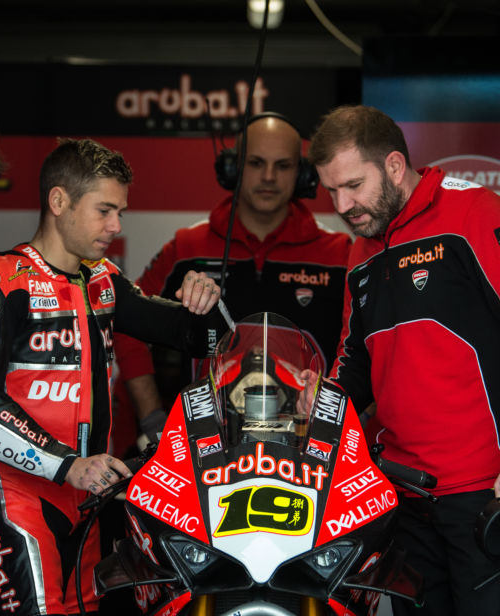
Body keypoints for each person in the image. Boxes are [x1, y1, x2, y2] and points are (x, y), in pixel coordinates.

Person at [304, 105, 500, 616]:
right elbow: (354, 360)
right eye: (331, 190)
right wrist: (316, 407)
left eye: (354, 185)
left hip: (491, 494)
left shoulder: (480, 215)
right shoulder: (363, 249)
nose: (342, 204)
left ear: (395, 166)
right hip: (407, 499)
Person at [0, 138, 224, 616]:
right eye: (105, 209)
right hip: (15, 494)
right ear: (59, 201)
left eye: (120, 211)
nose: (116, 225)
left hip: (84, 499)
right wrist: (67, 464)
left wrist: (205, 299)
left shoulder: (102, 281)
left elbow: (198, 336)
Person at [113, 112, 351, 447]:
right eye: (255, 163)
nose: (268, 176)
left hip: (311, 451)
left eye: (283, 165)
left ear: (303, 174)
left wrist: (350, 422)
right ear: (232, 168)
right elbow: (127, 326)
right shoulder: (187, 248)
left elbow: (370, 351)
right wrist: (153, 418)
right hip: (207, 448)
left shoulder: (340, 254)